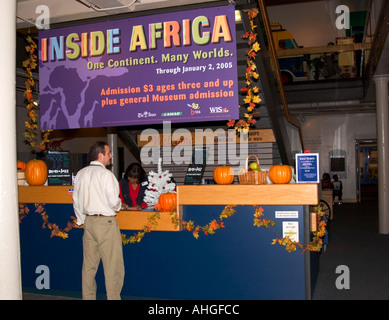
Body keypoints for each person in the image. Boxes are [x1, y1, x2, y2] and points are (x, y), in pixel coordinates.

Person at [73, 141, 125, 300]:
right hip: (106, 223)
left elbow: (76, 201)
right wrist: (119, 205)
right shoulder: (107, 175)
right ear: (100, 155)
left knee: (89, 267)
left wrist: (82, 220)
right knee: (112, 266)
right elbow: (113, 201)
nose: (111, 156)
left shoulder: (81, 173)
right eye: (109, 153)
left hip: (88, 222)